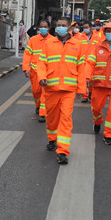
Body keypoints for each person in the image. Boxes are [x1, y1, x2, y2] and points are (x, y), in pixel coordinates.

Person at [37, 17, 86, 165]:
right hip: (51, 88)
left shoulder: (77, 44)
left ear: (69, 28)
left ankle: (62, 150)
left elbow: (81, 68)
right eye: (58, 25)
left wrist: (82, 88)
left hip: (68, 90)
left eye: (63, 25)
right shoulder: (49, 43)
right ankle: (52, 138)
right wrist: (42, 77)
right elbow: (42, 63)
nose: (60, 27)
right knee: (52, 118)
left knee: (66, 118)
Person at [22, 20, 51, 122]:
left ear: (49, 28)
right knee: (36, 91)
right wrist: (26, 68)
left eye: (45, 27)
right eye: (41, 27)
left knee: (45, 92)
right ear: (39, 28)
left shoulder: (53, 40)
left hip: (48, 72)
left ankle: (42, 113)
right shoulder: (33, 40)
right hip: (35, 71)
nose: (43, 29)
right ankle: (38, 105)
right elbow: (27, 54)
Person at [79, 21, 95, 103]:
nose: (85, 29)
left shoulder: (97, 38)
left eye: (87, 27)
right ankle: (84, 95)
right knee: (83, 79)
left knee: (92, 79)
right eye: (84, 27)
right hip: (83, 62)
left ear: (91, 27)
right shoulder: (80, 37)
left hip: (93, 62)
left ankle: (91, 92)